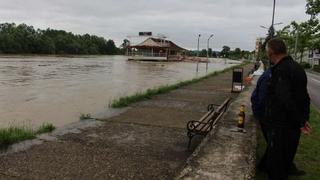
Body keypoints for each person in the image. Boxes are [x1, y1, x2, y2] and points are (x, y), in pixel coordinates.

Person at [264, 38, 312, 180]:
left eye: (267, 52)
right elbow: (304, 97)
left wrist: (300, 120)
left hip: (280, 126)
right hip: (292, 127)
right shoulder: (298, 68)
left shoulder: (281, 70)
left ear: (271, 52)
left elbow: (285, 99)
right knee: (285, 160)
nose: (267, 55)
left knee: (276, 165)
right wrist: (303, 119)